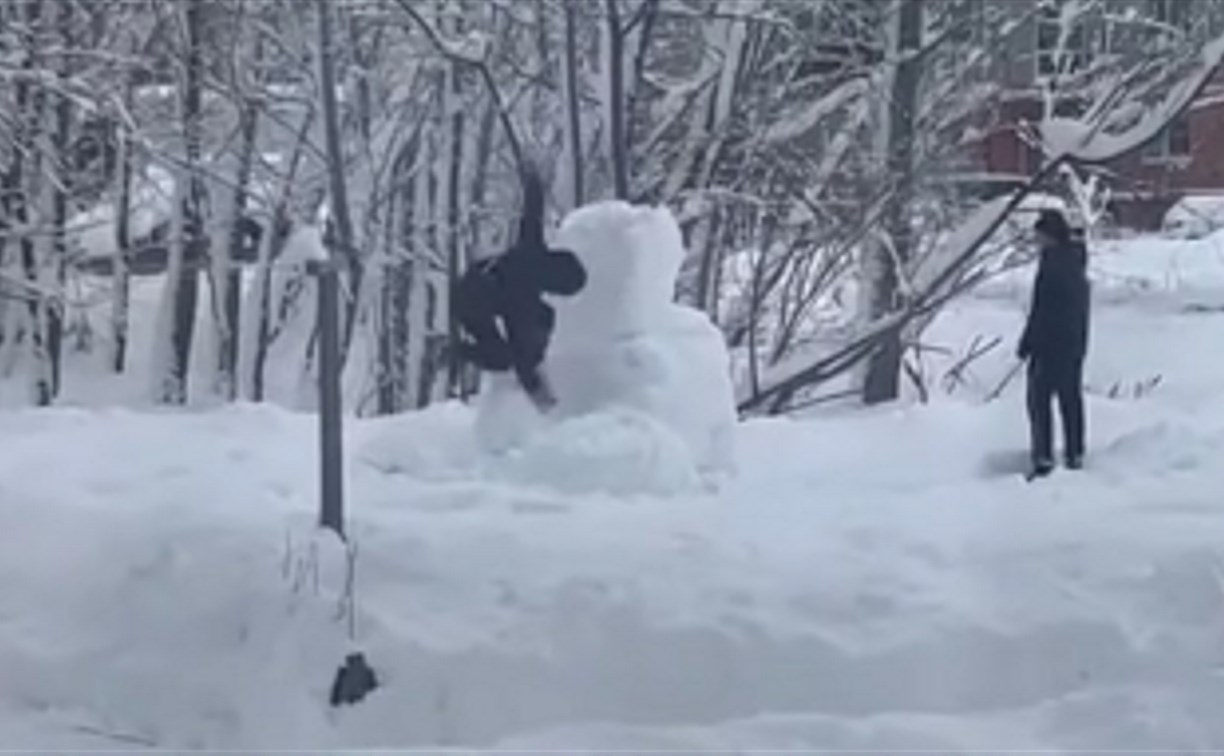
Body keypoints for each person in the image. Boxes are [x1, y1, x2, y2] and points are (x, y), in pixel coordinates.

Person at [454, 168, 587, 410]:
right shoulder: (524, 296)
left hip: (479, 282)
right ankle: (454, 350)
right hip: (471, 302)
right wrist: (540, 395)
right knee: (503, 358)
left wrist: (533, 179)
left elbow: (532, 214)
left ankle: (534, 348)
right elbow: (520, 353)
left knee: (544, 315)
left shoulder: (533, 252)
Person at [1017, 209, 1091, 478]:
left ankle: (1043, 458)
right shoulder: (1076, 260)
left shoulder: (1052, 265)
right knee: (1070, 399)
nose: (1037, 242)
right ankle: (1074, 453)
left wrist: (1028, 342)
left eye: (1039, 237)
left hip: (1050, 345)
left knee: (1039, 401)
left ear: (1049, 236)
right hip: (1074, 343)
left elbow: (1043, 310)